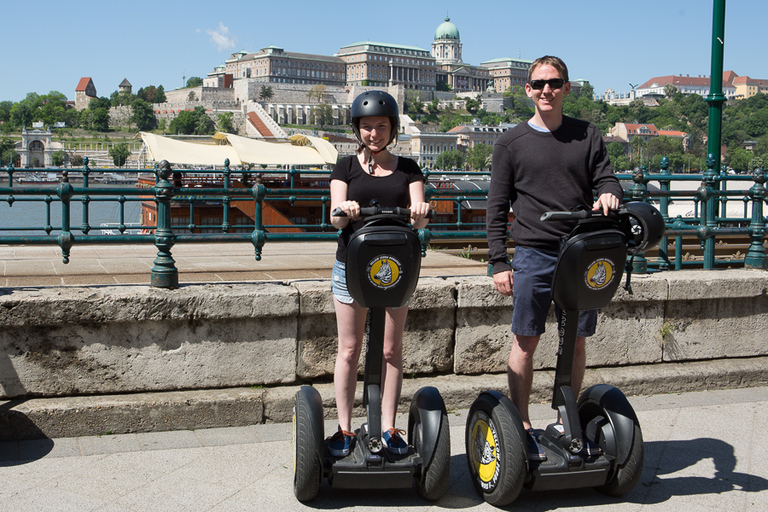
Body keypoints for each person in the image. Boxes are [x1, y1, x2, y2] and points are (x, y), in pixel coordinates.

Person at [485, 56, 623, 461]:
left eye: (554, 82)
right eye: (539, 83)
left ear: (566, 88)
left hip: (579, 250)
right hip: (533, 252)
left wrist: (610, 191)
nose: (547, 90)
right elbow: (496, 206)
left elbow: (606, 176)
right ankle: (522, 423)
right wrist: (499, 260)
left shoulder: (588, 135)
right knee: (526, 339)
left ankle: (565, 417)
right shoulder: (510, 143)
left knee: (576, 339)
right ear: (527, 89)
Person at [327, 90, 430, 457]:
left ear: (393, 128)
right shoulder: (345, 167)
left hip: (394, 267)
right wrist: (346, 208)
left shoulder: (409, 169)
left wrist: (420, 211)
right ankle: (343, 429)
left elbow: (419, 215)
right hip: (352, 265)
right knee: (350, 348)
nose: (374, 133)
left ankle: (388, 426)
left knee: (390, 350)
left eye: (381, 127)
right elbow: (334, 217)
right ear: (357, 129)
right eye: (367, 127)